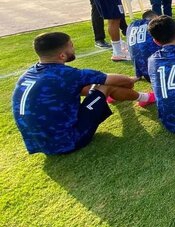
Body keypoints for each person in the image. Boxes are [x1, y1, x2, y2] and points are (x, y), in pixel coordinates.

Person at [12, 32, 154, 155]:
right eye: (71, 46)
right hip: (69, 141)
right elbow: (115, 80)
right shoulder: (66, 75)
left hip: (37, 144)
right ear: (62, 55)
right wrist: (131, 79)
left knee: (82, 88)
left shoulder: (28, 74)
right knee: (105, 86)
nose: (74, 48)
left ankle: (107, 98)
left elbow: (75, 88)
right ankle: (145, 97)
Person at [127, 10, 175, 81]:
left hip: (145, 73)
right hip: (164, 70)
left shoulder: (132, 25)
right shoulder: (156, 24)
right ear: (156, 17)